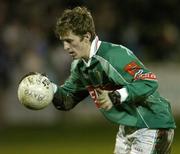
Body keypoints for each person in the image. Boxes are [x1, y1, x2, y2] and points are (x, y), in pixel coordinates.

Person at [50, 6, 176, 154]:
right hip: (127, 128)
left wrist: (115, 96)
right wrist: (46, 87)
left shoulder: (114, 56)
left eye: (70, 41)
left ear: (86, 37)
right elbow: (66, 100)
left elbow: (148, 82)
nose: (65, 47)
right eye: (63, 41)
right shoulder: (79, 66)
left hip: (151, 124)